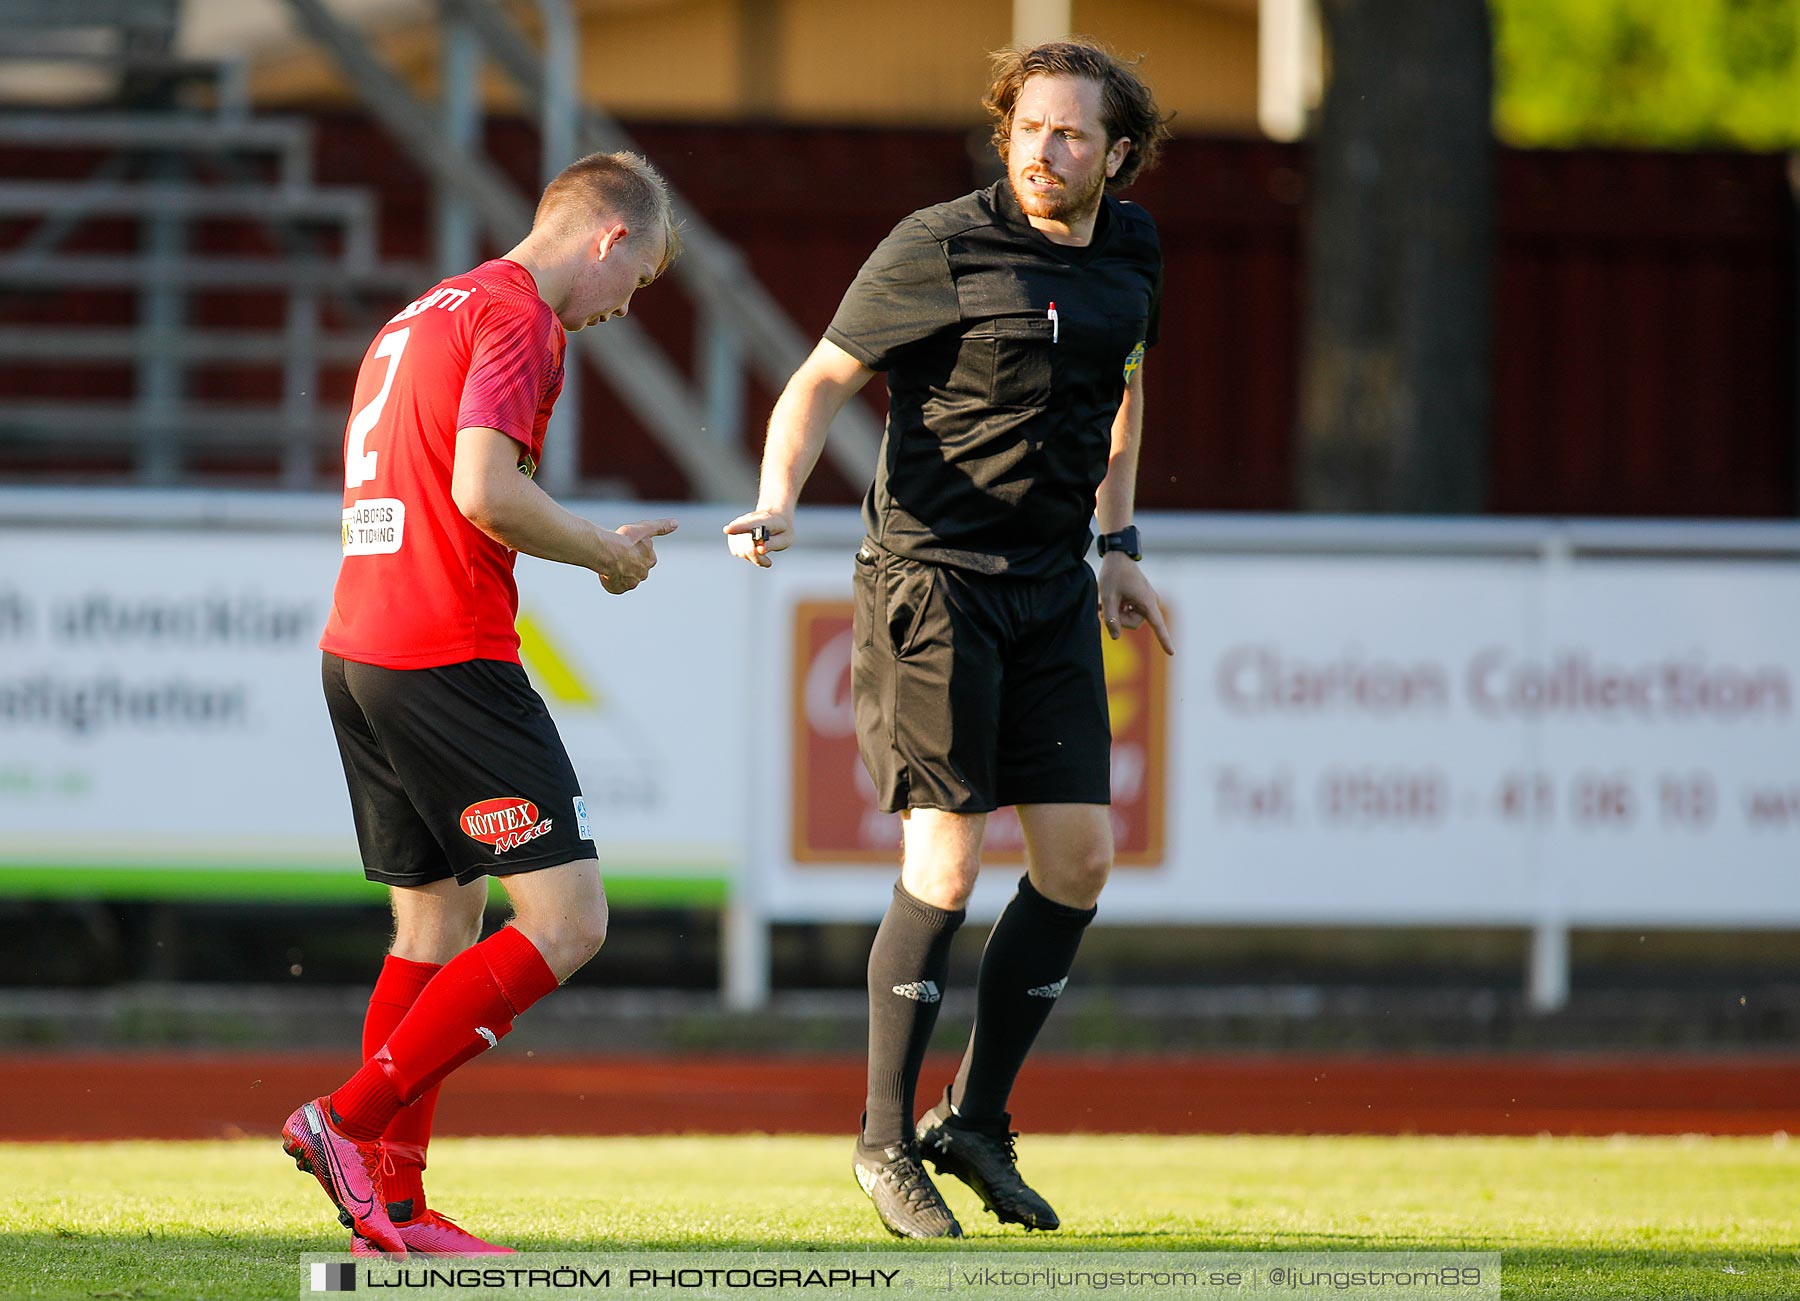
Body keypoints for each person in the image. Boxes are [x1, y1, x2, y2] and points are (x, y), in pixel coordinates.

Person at [724, 40, 1174, 1239]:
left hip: (1051, 587)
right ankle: (882, 1140)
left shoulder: (1132, 251)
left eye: (1072, 133)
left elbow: (1122, 389)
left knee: (1079, 860)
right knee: (947, 863)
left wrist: (1119, 545)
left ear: (1116, 156)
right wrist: (776, 499)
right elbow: (819, 378)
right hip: (932, 579)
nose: (1044, 149)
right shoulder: (939, 243)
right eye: (1028, 127)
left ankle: (972, 1116)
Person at [282, 150, 681, 1258]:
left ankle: (391, 1214)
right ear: (606, 238)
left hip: (358, 645)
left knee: (434, 923)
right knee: (569, 920)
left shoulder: (420, 311)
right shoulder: (523, 318)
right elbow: (484, 492)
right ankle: (347, 1122)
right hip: (446, 653)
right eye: (636, 281)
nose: (619, 309)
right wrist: (603, 550)